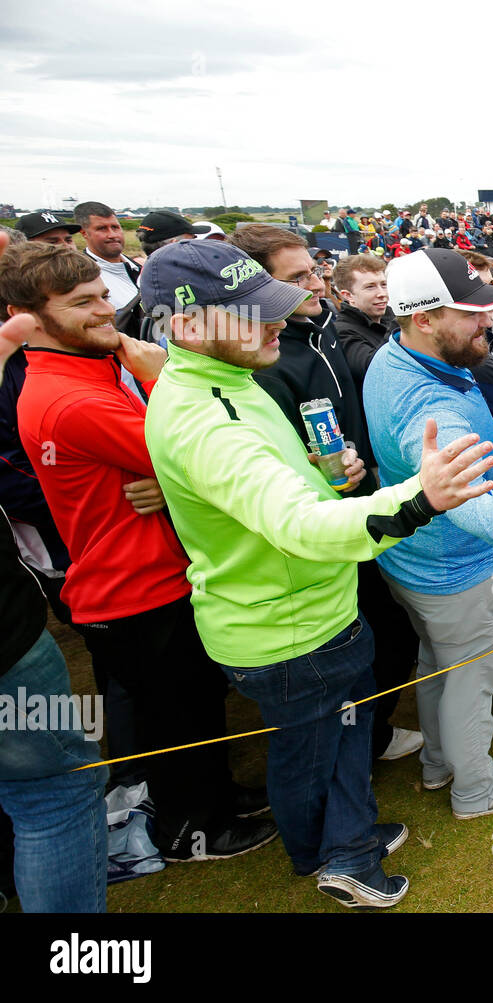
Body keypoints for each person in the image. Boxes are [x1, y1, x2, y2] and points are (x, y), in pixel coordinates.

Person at [140, 238, 493, 907]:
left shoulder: (221, 379)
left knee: (337, 740)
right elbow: (298, 525)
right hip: (289, 630)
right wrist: (418, 496)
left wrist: (321, 470)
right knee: (314, 752)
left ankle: (340, 838)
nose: (279, 320)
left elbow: (277, 492)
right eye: (253, 311)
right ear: (190, 326)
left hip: (303, 613)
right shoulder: (208, 418)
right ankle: (335, 853)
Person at [1, 242, 276, 862]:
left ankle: (218, 801)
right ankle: (190, 833)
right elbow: (189, 451)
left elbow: (165, 457)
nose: (105, 311)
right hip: (131, 589)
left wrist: (166, 479)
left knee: (196, 709)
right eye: (82, 303)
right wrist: (155, 378)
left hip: (148, 577)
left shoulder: (85, 373)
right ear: (26, 316)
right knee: (175, 722)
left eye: (103, 294)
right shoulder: (72, 396)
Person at [365, 247, 493, 817]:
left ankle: (438, 763)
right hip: (459, 569)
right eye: (471, 311)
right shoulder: (428, 404)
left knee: (440, 665)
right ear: (423, 318)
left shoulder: (399, 358)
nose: (488, 321)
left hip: (418, 564)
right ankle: (477, 789)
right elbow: (456, 489)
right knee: (470, 685)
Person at [230, 224, 423, 767]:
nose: (314, 285)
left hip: (361, 503)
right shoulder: (264, 363)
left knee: (384, 637)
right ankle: (352, 764)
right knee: (358, 648)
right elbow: (267, 466)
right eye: (296, 278)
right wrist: (327, 475)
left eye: (314, 271)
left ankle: (371, 737)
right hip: (321, 533)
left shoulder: (320, 330)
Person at [0, 230, 109, 912]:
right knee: (52, 791)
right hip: (12, 636)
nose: (105, 311)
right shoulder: (54, 389)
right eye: (84, 300)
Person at [331, 253, 397, 389]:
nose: (382, 293)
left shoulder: (389, 319)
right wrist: (402, 323)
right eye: (370, 287)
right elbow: (372, 369)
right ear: (348, 295)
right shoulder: (342, 331)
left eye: (383, 285)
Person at [75, 202, 140, 311]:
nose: (112, 235)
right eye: (102, 228)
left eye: (115, 227)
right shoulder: (83, 277)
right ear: (84, 233)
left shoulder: (141, 267)